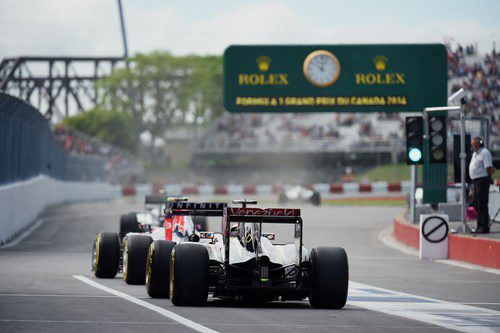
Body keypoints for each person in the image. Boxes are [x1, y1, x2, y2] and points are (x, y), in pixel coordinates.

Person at [469, 137, 495, 233]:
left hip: (482, 181)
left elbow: (489, 167)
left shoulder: (484, 153)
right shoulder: (475, 154)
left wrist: (488, 178)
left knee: (482, 204)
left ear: (480, 143)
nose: (473, 145)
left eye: (475, 143)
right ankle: (480, 225)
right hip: (476, 181)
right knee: (477, 203)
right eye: (472, 144)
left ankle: (483, 227)